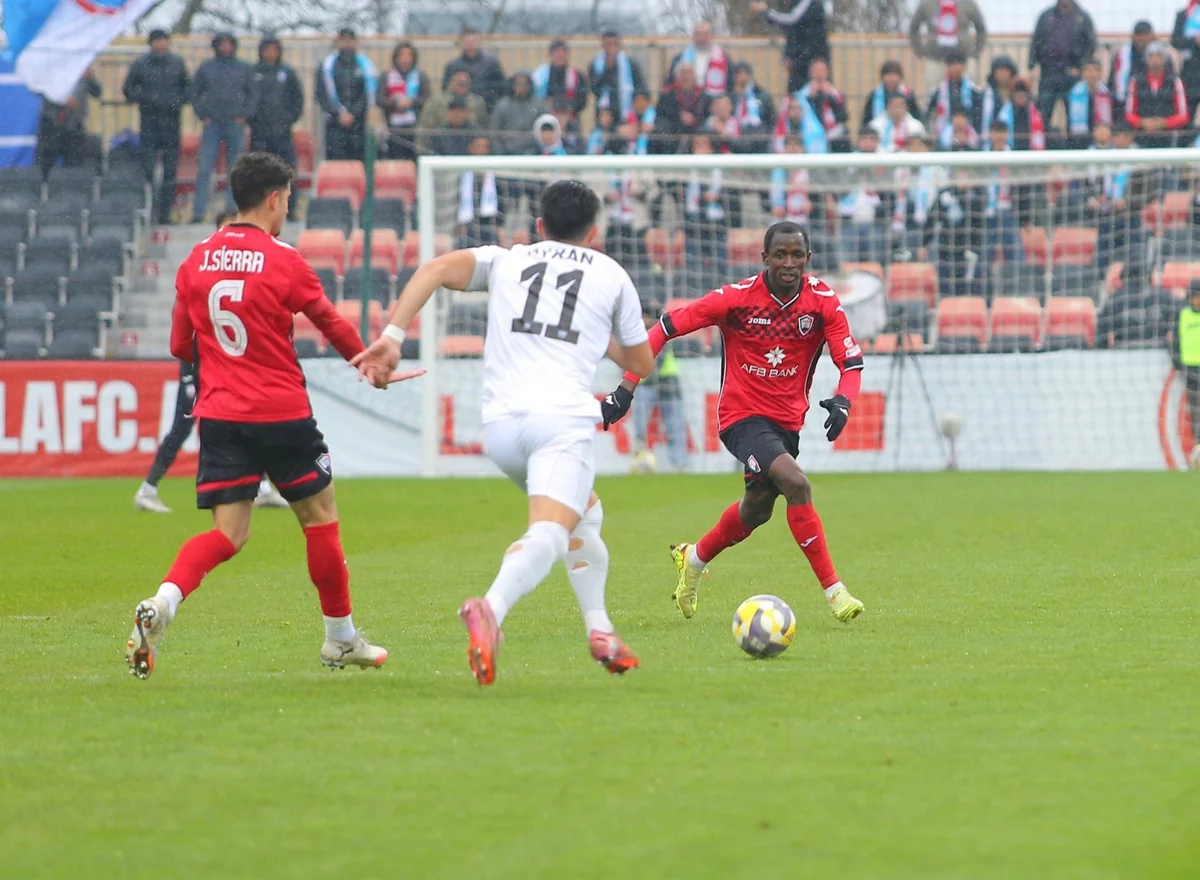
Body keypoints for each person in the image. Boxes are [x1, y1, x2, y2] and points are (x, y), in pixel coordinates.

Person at [351, 180, 656, 686]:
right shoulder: (610, 274)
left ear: (538, 226)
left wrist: (392, 336)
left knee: (586, 513)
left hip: (501, 430)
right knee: (549, 532)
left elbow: (433, 270)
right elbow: (641, 362)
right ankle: (489, 608)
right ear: (593, 232)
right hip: (560, 424)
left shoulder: (507, 260)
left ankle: (600, 629)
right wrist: (594, 335)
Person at [124, 153, 415, 680]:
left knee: (228, 535)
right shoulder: (283, 259)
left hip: (220, 416)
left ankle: (164, 600)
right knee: (319, 518)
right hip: (280, 411)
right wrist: (367, 362)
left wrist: (223, 361)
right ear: (275, 199)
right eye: (288, 200)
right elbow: (327, 318)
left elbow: (179, 345)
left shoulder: (196, 260)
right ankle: (340, 638)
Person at [600, 222, 865, 623]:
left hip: (787, 424)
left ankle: (694, 558)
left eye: (797, 255)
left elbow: (851, 362)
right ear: (764, 258)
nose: (789, 263)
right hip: (741, 419)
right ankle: (835, 592)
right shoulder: (737, 299)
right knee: (796, 483)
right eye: (780, 255)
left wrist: (844, 400)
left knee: (757, 509)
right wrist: (626, 387)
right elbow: (665, 328)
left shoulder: (822, 301)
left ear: (808, 259)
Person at [134, 210, 288, 514]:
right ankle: (148, 488)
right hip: (200, 369)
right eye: (226, 228)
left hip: (226, 367)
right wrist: (188, 376)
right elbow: (186, 327)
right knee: (182, 428)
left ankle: (262, 488)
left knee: (250, 423)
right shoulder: (202, 266)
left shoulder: (237, 270)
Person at [123, 29, 189, 226]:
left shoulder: (177, 63)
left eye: (163, 41)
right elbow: (128, 89)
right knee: (148, 170)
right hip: (149, 124)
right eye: (157, 41)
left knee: (170, 172)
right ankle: (149, 213)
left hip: (171, 123)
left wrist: (176, 102)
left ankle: (165, 215)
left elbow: (188, 88)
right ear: (151, 43)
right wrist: (146, 100)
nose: (160, 44)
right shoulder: (141, 63)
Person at [189, 33, 254, 222]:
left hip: (235, 123)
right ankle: (199, 213)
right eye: (222, 44)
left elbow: (253, 94)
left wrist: (244, 115)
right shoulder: (206, 67)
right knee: (204, 168)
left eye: (229, 44)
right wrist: (203, 114)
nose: (226, 47)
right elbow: (194, 92)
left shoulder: (243, 68)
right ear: (216, 46)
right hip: (213, 124)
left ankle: (233, 211)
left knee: (236, 169)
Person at [248, 35, 303, 220]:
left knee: (286, 172)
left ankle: (289, 209)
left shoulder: (287, 73)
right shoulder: (253, 73)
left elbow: (297, 99)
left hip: (282, 133)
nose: (270, 54)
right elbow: (246, 98)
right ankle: (260, 211)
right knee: (259, 173)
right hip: (259, 133)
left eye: (274, 50)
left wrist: (289, 119)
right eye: (267, 50)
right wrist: (253, 120)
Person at [631, 304, 689, 472]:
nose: (644, 320)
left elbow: (657, 360)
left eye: (646, 316)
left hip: (666, 383)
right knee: (642, 426)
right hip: (651, 384)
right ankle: (641, 457)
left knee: (674, 427)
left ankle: (679, 465)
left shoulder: (659, 333)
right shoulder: (638, 336)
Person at [1029, 0, 1096, 126]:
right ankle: (1042, 138)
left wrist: (1080, 68)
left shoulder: (1083, 18)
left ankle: (1075, 139)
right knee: (1043, 114)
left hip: (1072, 75)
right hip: (1048, 74)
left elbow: (1090, 45)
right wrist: (1032, 66)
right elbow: (1036, 41)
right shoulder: (1046, 16)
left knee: (1075, 116)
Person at [315, 28, 377, 162]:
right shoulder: (327, 66)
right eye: (344, 40)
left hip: (358, 124)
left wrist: (353, 113)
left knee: (357, 161)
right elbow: (322, 95)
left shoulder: (365, 66)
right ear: (337, 42)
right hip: (334, 124)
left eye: (350, 40)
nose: (347, 43)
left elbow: (367, 94)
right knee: (335, 162)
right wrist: (339, 114)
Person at [749, 0, 830, 94]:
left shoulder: (808, 3)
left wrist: (766, 12)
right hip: (799, 62)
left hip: (810, 61)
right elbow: (793, 33)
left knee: (815, 94)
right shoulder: (796, 3)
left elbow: (792, 19)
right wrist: (788, 55)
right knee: (795, 95)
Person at [36, 68, 101, 178]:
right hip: (52, 122)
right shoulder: (50, 68)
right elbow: (40, 91)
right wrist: (63, 99)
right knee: (46, 162)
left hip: (75, 123)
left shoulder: (81, 67)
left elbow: (97, 92)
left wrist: (90, 78)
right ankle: (44, 185)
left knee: (75, 163)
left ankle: (73, 186)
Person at [1125, 42, 1189, 148]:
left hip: (1168, 137)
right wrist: (1143, 123)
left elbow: (1183, 115)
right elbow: (1129, 114)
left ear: (1165, 59)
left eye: (1159, 55)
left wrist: (1164, 123)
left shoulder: (1175, 81)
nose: (1155, 60)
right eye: (1151, 56)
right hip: (1141, 137)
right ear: (1146, 59)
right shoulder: (1135, 81)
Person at [377, 41, 430, 162]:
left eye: (409, 56)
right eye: (402, 55)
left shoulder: (420, 76)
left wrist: (411, 102)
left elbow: (426, 97)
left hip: (415, 128)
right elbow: (379, 99)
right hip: (393, 128)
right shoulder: (387, 76)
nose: (405, 59)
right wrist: (396, 103)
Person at [417, 70, 487, 152]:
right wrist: (421, 151)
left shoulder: (478, 102)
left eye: (464, 83)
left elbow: (484, 127)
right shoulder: (435, 101)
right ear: (451, 82)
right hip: (441, 145)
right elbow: (425, 127)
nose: (461, 85)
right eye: (458, 82)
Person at [442, 27, 507, 114]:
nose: (471, 44)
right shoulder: (452, 66)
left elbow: (501, 87)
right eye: (467, 41)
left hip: (487, 109)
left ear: (480, 42)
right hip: (459, 110)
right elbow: (445, 89)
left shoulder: (492, 64)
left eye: (474, 41)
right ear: (461, 43)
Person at [590, 30, 647, 122]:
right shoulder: (596, 65)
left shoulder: (631, 64)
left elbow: (640, 87)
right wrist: (607, 70)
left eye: (615, 44)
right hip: (604, 115)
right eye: (608, 44)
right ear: (603, 45)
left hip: (627, 112)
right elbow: (595, 89)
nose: (612, 48)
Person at [796, 57, 849, 154]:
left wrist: (831, 98)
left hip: (834, 138)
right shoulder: (802, 95)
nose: (819, 73)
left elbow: (843, 117)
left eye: (822, 70)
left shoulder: (835, 94)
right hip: (810, 138)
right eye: (816, 70)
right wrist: (810, 98)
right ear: (810, 72)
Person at [926, 48, 980, 142]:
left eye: (959, 63)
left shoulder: (974, 91)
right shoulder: (939, 91)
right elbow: (929, 113)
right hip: (944, 137)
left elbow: (978, 116)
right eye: (952, 64)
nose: (956, 67)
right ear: (947, 66)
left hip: (969, 137)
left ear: (964, 66)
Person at [908, 0, 988, 63]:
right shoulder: (928, 4)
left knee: (966, 80)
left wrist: (976, 52)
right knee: (933, 80)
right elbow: (913, 28)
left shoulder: (967, 3)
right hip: (934, 59)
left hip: (963, 59)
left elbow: (981, 28)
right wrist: (919, 52)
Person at [665, 21, 731, 96]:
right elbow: (670, 83)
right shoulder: (680, 58)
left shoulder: (723, 58)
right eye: (698, 34)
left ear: (712, 36)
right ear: (693, 36)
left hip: (715, 100)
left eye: (705, 34)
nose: (702, 38)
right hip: (688, 99)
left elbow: (730, 84)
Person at [654, 61, 709, 146]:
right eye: (683, 72)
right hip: (673, 131)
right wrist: (679, 115)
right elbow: (661, 114)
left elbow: (706, 115)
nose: (686, 76)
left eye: (689, 73)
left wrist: (694, 119)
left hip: (695, 131)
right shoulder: (667, 94)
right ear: (677, 76)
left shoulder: (702, 96)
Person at [532, 40, 588, 120]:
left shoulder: (576, 75)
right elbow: (537, 98)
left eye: (563, 52)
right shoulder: (541, 74)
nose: (560, 55)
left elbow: (582, 100)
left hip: (570, 118)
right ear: (550, 54)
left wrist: (567, 108)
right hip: (546, 116)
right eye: (557, 52)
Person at [1110, 20, 1156, 117]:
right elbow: (1113, 82)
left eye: (1145, 35)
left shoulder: (1161, 56)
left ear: (1152, 36)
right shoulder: (1122, 55)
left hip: (1154, 105)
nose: (1141, 38)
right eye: (1138, 35)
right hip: (1124, 104)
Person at [490, 73, 541, 155]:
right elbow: (494, 132)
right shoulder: (502, 105)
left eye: (525, 84)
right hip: (507, 153)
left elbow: (545, 131)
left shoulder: (538, 105)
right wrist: (500, 154)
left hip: (533, 153)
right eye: (518, 84)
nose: (521, 87)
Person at [862, 61, 921, 133]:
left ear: (900, 76)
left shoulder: (908, 95)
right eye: (888, 74)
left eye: (895, 74)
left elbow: (916, 116)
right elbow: (867, 119)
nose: (891, 78)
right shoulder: (874, 96)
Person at [1067, 57, 1113, 147]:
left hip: (1100, 135)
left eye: (1095, 70)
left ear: (1100, 73)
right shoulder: (1075, 92)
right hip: (1080, 138)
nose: (1091, 74)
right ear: (1083, 73)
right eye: (1088, 70)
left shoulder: (1105, 92)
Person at [731, 63, 776, 148]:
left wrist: (766, 133)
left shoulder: (762, 95)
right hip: (739, 138)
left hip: (760, 138)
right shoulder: (732, 96)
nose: (741, 77)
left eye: (743, 73)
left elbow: (771, 119)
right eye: (737, 74)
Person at [1171, 1, 1200, 119]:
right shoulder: (1184, 14)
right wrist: (1194, 40)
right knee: (1187, 116)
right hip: (1191, 73)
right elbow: (1175, 41)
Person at [979, 55, 1017, 137]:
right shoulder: (984, 96)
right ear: (994, 73)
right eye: (999, 69)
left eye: (1006, 69)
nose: (1003, 73)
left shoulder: (1018, 96)